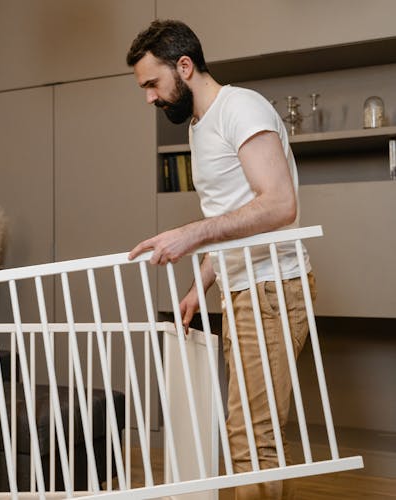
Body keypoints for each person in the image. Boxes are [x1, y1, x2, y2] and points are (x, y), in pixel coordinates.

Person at [125, 20, 316, 500]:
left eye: (152, 83)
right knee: (248, 434)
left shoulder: (240, 108)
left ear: (184, 67)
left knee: (253, 439)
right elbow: (234, 217)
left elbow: (278, 204)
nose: (149, 98)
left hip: (271, 286)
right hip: (241, 288)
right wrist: (200, 286)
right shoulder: (199, 123)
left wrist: (190, 234)